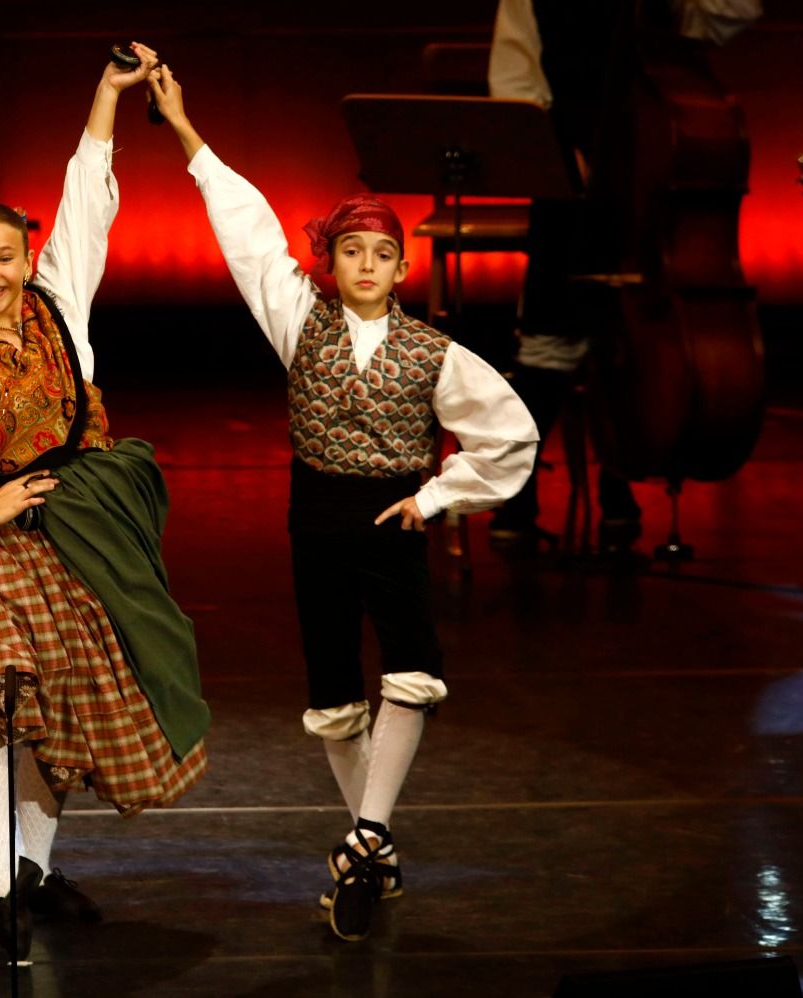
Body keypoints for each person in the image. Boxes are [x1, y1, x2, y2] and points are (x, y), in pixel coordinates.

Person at [146, 67, 537, 942]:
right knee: (332, 684)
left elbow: (509, 436)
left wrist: (435, 498)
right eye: (351, 251)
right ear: (331, 260)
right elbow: (244, 228)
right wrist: (182, 126)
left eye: (382, 254)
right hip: (316, 514)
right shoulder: (298, 318)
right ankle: (374, 845)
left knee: (409, 669)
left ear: (404, 267)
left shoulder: (433, 352)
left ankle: (365, 837)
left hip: (391, 515)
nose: (365, 266)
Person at [0, 43, 209, 965]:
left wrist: (106, 95)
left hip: (83, 530)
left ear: (26, 258)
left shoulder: (58, 304)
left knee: (58, 714)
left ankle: (31, 874)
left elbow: (90, 201)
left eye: (6, 256)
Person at [485, 0, 761, 554]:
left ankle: (621, 481)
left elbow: (739, 13)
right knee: (549, 340)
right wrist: (564, 148)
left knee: (631, 345)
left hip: (651, 202)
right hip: (573, 185)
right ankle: (517, 496)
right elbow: (514, 88)